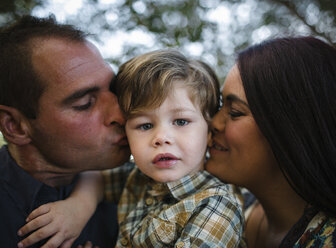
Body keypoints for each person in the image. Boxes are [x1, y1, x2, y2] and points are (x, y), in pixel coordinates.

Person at [18, 50, 245, 247]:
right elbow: (97, 178)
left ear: (208, 130)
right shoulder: (137, 178)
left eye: (181, 122)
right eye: (145, 125)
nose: (161, 138)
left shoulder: (216, 205)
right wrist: (78, 208)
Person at [206, 36, 336, 247]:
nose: (214, 122)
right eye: (220, 105)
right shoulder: (225, 211)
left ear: (292, 131)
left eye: (235, 112)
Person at [0, 15, 131, 247]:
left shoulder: (139, 189)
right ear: (15, 126)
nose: (121, 115)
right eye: (85, 104)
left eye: (114, 90)